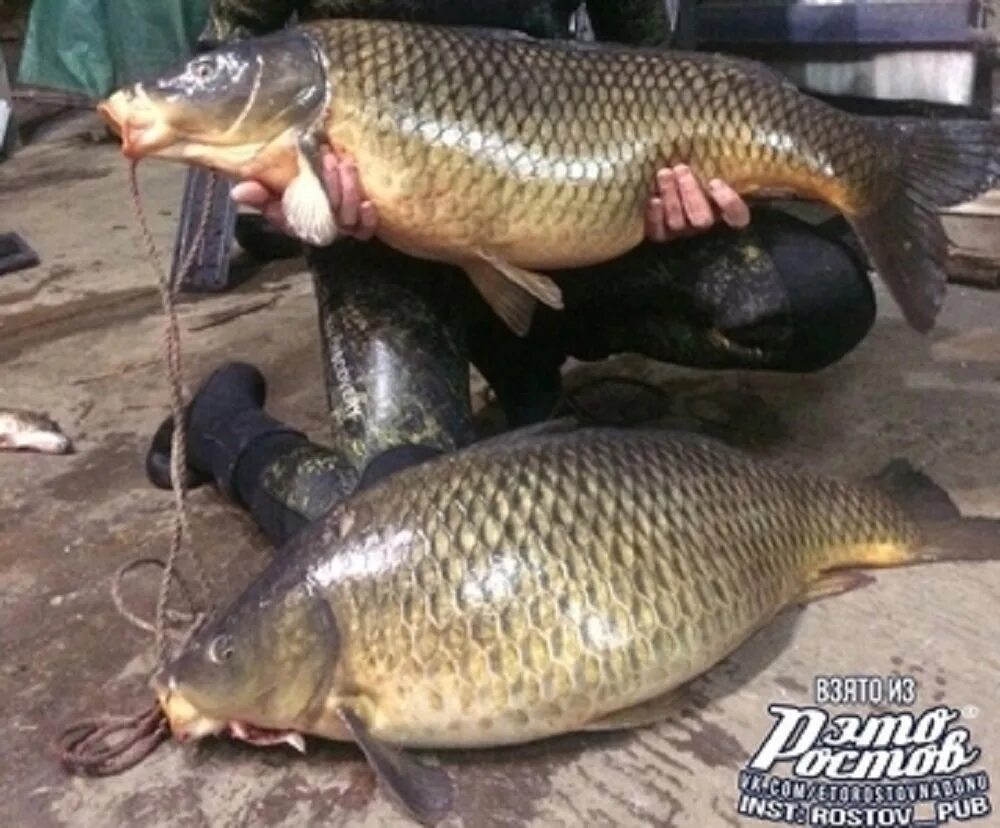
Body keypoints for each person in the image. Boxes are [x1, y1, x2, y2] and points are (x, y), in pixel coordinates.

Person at [147, 0, 876, 547]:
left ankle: (529, 351)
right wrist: (278, 189)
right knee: (398, 534)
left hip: (570, 200)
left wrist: (685, 187)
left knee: (813, 294)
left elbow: (652, 58)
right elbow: (232, 53)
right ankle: (224, 429)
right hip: (381, 240)